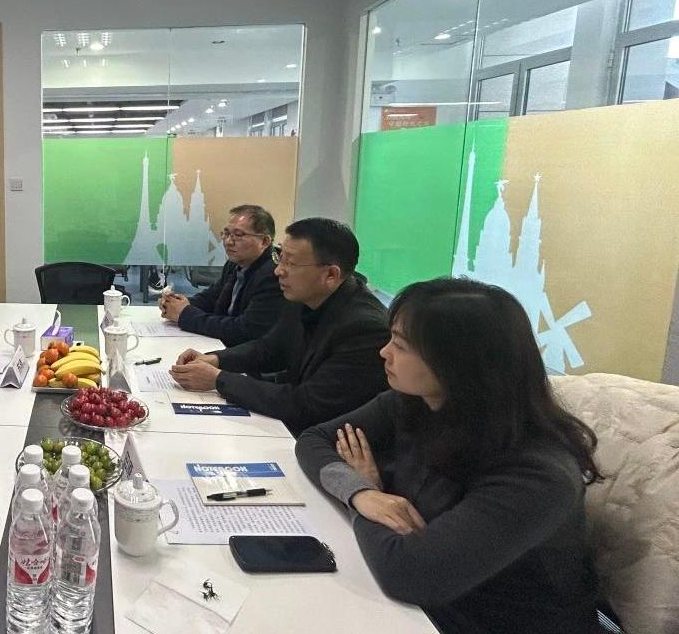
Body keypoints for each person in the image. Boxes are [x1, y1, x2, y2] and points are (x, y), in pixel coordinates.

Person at [295, 278, 601, 634]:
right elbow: (314, 441)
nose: (384, 352)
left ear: (457, 362)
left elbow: (410, 574)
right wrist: (362, 493)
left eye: (401, 345)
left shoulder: (537, 475)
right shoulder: (417, 402)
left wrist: (366, 497)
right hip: (416, 607)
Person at [169, 217, 388, 435]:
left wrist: (218, 379)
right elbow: (271, 347)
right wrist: (216, 359)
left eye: (290, 263)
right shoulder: (305, 295)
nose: (278, 271)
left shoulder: (365, 329)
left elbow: (306, 404)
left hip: (329, 439)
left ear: (331, 274)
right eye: (279, 258)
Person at [159, 204, 286, 346]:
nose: (228, 242)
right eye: (226, 234)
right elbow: (213, 297)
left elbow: (244, 330)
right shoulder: (235, 263)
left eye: (238, 235)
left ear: (264, 241)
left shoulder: (273, 275)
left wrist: (185, 314)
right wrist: (176, 303)